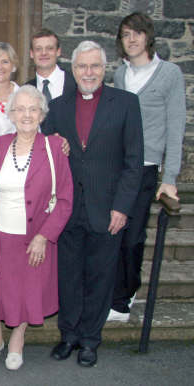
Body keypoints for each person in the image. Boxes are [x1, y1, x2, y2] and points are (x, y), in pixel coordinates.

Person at [42, 41, 143, 367]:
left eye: (95, 66)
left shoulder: (126, 104)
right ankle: (68, 334)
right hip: (68, 209)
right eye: (82, 66)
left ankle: (89, 340)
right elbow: (46, 156)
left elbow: (134, 161)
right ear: (74, 70)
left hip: (107, 208)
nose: (88, 73)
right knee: (68, 275)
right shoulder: (57, 107)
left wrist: (122, 207)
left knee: (100, 277)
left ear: (104, 69)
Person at [0, 85, 73, 370]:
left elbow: (66, 199)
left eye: (33, 109)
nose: (27, 114)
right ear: (11, 113)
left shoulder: (55, 147)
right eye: (20, 109)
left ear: (42, 114)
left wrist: (45, 236)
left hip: (35, 234)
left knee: (27, 289)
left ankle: (18, 339)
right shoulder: (0, 143)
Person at [108, 12, 186, 323]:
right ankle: (120, 288)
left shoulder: (169, 74)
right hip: (118, 167)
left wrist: (170, 178)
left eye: (137, 33)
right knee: (114, 232)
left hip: (145, 168)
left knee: (133, 236)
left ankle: (123, 298)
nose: (132, 39)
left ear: (147, 36)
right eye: (126, 34)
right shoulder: (120, 76)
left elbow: (176, 127)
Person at [25, 29, 76, 102]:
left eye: (49, 48)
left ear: (58, 52)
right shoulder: (26, 89)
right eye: (38, 49)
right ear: (31, 54)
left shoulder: (75, 83)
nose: (44, 53)